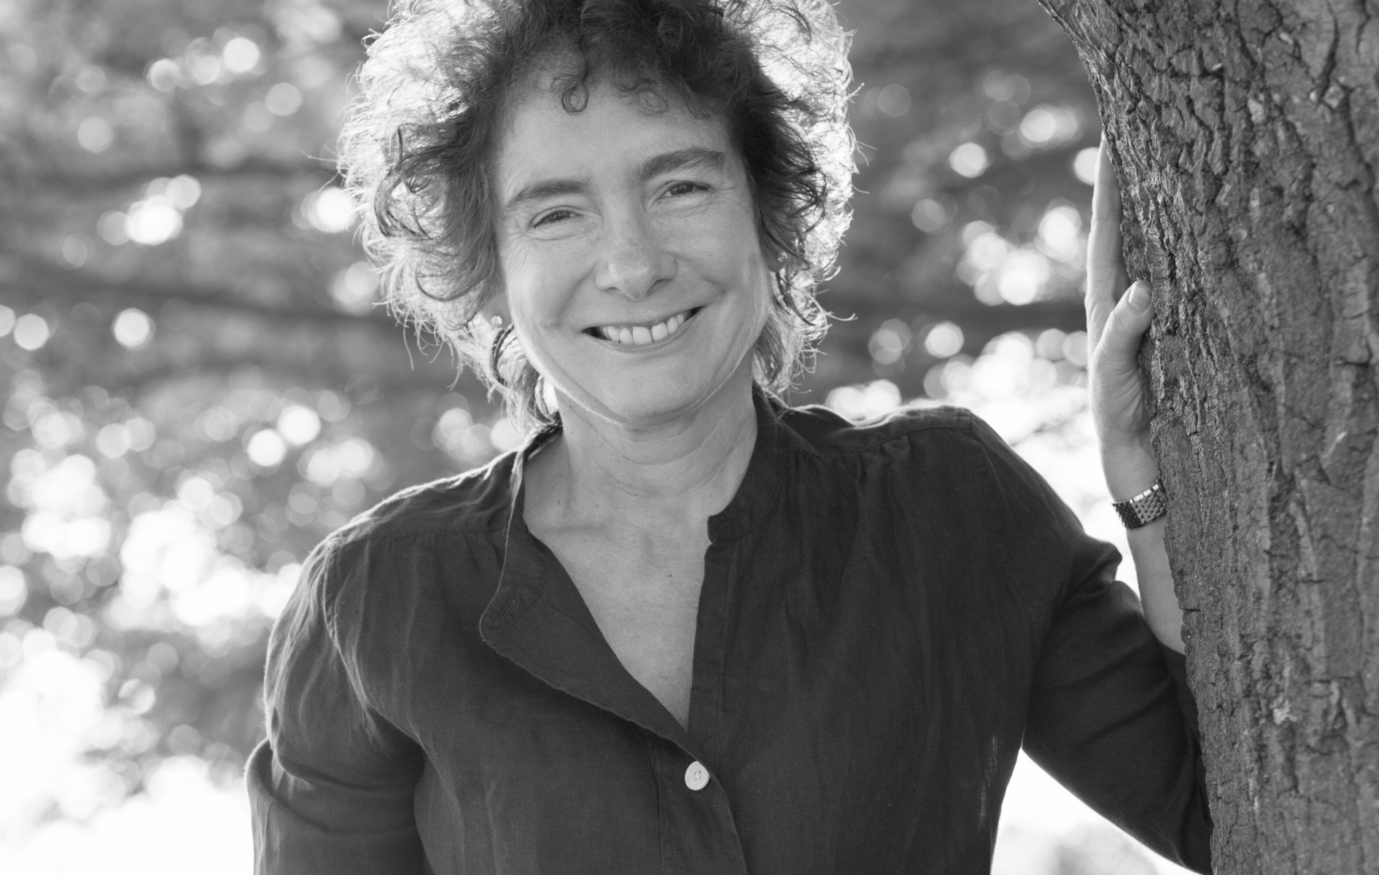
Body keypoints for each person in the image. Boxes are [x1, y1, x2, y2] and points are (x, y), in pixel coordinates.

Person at [245, 0, 1211, 871]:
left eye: (681, 188)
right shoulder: (378, 601)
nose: (632, 264)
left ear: (770, 212)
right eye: (557, 212)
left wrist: (1146, 480)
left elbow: (1229, 813)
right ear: (489, 266)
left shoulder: (948, 505)